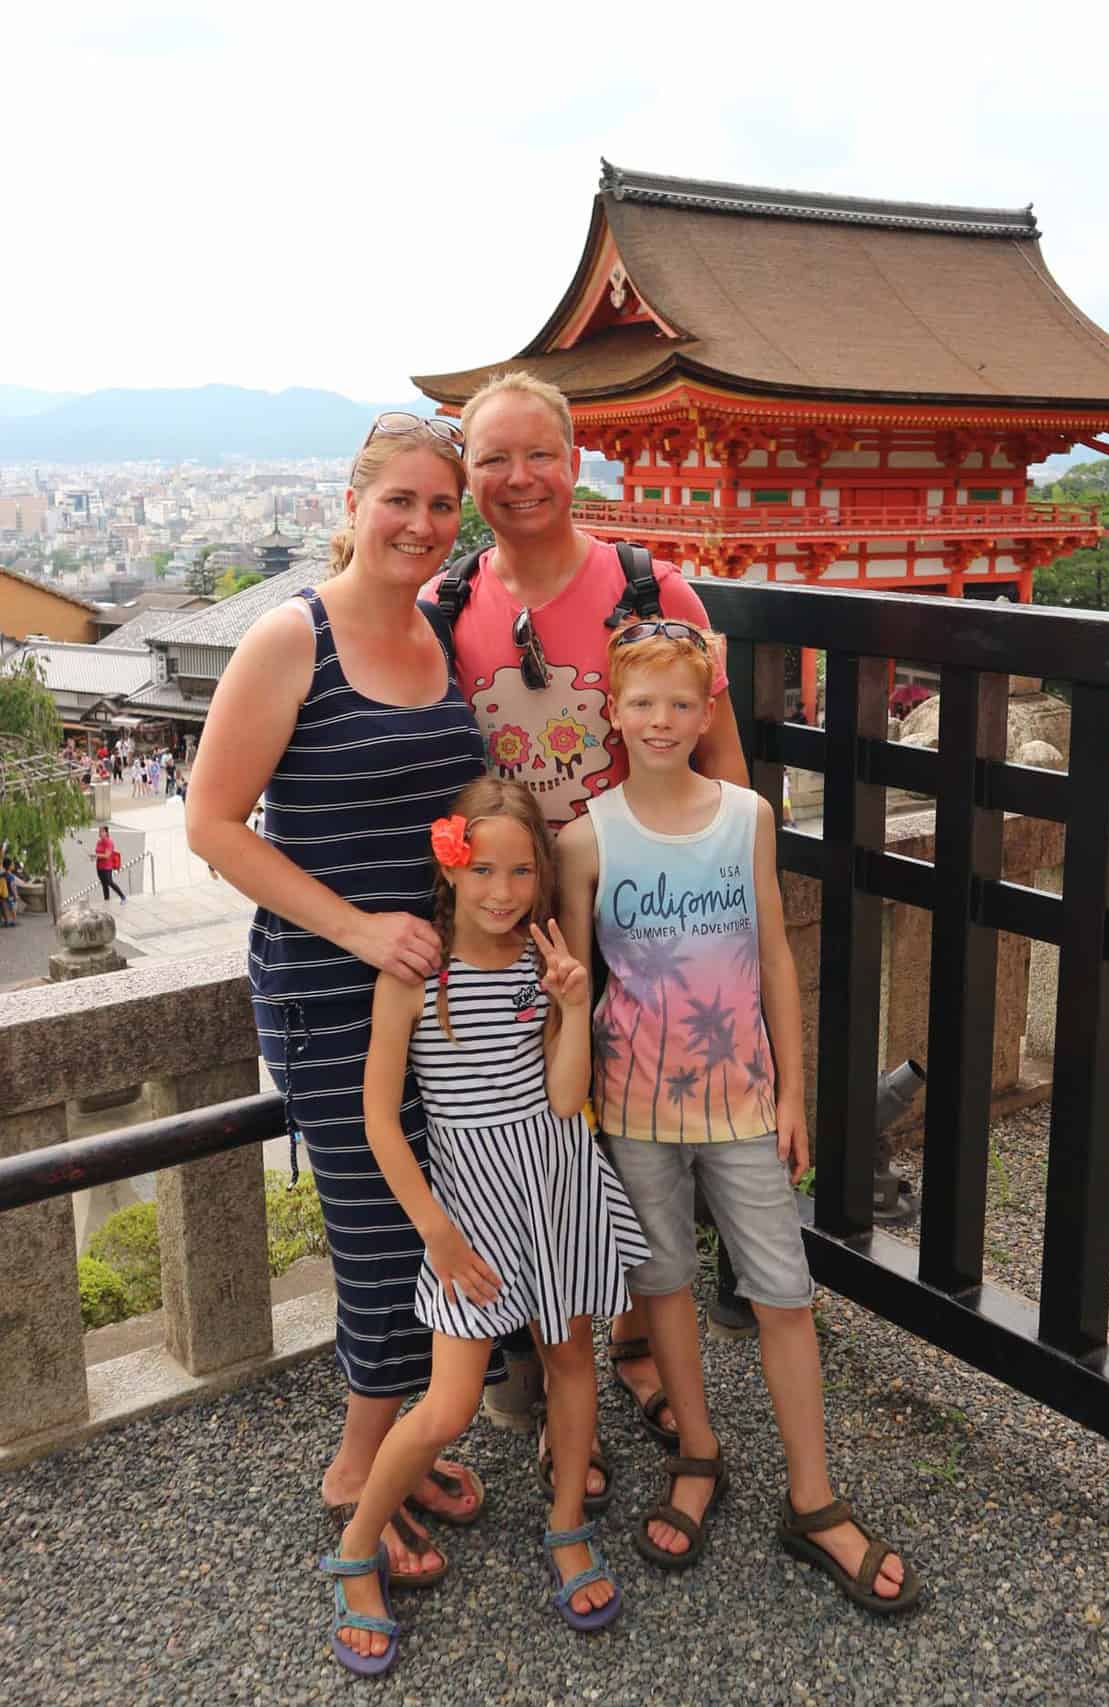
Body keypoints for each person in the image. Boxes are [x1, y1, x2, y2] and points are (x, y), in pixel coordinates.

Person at [556, 621, 922, 1616]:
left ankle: (812, 1495)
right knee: (664, 1279)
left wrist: (795, 1092)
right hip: (630, 1105)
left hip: (744, 1101)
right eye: (642, 704)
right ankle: (700, 1449)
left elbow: (772, 956)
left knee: (782, 1291)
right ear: (611, 715)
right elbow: (577, 985)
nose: (662, 720)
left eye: (681, 702)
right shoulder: (583, 837)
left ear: (706, 707)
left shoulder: (746, 816)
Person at [186, 414, 493, 1591]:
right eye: (399, 500)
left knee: (439, 1211)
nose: (421, 524)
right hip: (328, 984)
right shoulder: (289, 635)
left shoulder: (434, 633)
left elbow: (440, 810)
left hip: (431, 986)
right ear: (354, 501)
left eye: (439, 506)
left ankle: (402, 1445)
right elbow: (212, 824)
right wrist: (360, 927)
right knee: (378, 1236)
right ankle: (354, 1467)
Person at [425, 369, 750, 1457]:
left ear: (576, 461)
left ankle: (636, 1348)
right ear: (467, 474)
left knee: (640, 1136)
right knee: (540, 1132)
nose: (517, 479)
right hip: (516, 923)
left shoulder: (650, 591)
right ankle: (544, 1343)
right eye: (491, 459)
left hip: (643, 918)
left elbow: (725, 762)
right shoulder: (450, 606)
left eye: (538, 455)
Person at [322, 778, 648, 1674]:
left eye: (521, 872)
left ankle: (567, 1521)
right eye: (484, 871)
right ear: (452, 866)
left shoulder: (541, 967)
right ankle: (356, 1544)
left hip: (555, 1184)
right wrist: (435, 1230)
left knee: (571, 1360)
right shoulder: (417, 975)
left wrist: (573, 1006)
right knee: (449, 1402)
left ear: (541, 875)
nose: (502, 892)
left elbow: (562, 1094)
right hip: (466, 1209)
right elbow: (380, 1118)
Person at [93, 826, 127, 905]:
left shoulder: (109, 842)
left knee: (109, 882)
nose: (100, 833)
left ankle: (123, 897)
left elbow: (107, 855)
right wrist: (94, 857)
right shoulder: (99, 842)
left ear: (106, 833)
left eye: (102, 831)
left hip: (107, 866)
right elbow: (98, 854)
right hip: (99, 866)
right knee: (104, 884)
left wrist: (96, 855)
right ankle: (106, 900)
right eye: (99, 831)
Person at [0, 857, 17, 927]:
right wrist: (15, 895)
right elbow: (12, 886)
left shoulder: (1, 875)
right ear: (9, 866)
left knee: (4, 908)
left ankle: (6, 921)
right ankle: (13, 921)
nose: (13, 866)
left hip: (3, 895)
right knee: (12, 908)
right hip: (10, 895)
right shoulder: (11, 876)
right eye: (12, 864)